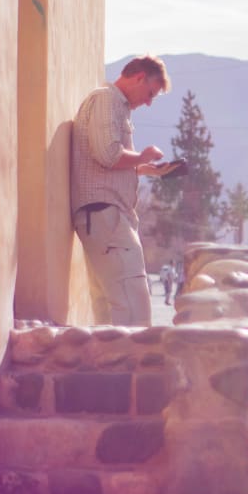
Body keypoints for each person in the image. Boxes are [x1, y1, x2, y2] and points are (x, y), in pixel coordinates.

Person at [70, 54, 173, 326]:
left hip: (102, 216)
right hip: (106, 215)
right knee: (133, 302)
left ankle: (113, 366)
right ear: (139, 77)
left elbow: (104, 162)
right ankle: (134, 365)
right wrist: (142, 156)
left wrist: (144, 169)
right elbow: (107, 154)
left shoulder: (115, 105)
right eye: (150, 93)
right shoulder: (107, 99)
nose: (149, 102)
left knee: (109, 306)